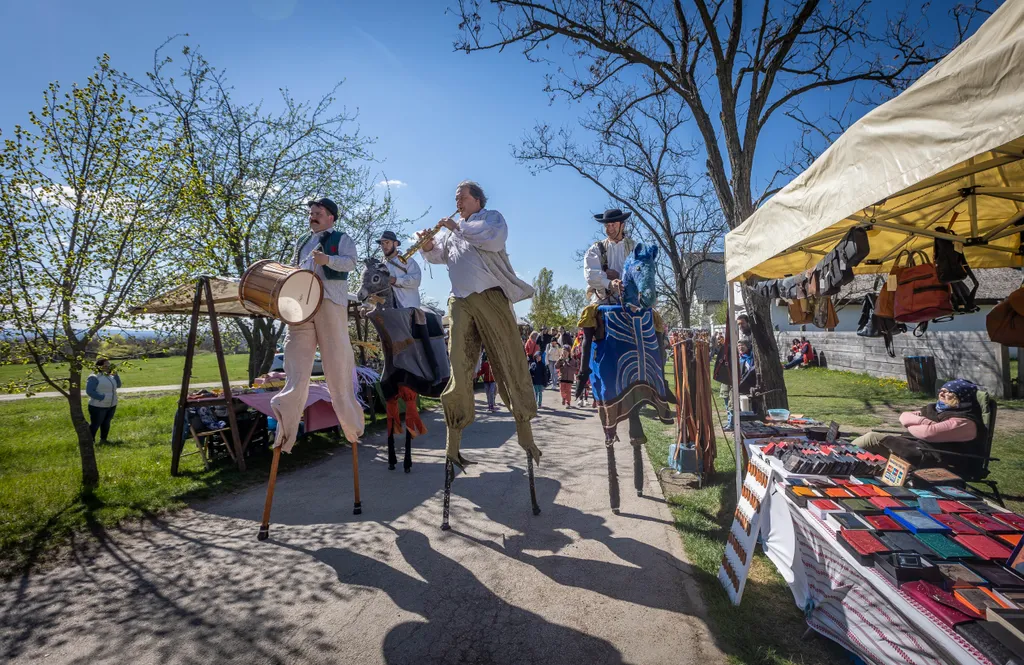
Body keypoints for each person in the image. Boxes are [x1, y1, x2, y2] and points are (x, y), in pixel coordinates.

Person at [418, 180, 540, 468]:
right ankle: (453, 445)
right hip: (459, 301)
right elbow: (439, 256)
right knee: (458, 367)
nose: (457, 202)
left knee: (509, 359)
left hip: (490, 297)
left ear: (477, 200)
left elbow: (492, 239)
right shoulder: (454, 229)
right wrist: (427, 244)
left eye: (461, 197)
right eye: (456, 198)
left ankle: (525, 433)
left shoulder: (490, 218)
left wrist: (456, 228)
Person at [271, 197, 365, 453]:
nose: (312, 216)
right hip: (303, 305)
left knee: (336, 362)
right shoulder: (303, 240)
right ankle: (285, 424)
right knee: (295, 360)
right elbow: (294, 268)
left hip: (330, 302)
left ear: (331, 217)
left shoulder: (341, 238)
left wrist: (328, 261)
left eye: (318, 213)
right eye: (311, 213)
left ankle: (351, 425)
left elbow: (351, 262)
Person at [852, 379, 984, 455]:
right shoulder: (936, 409)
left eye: (948, 392)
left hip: (935, 456)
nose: (941, 394)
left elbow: (927, 433)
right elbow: (904, 416)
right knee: (871, 440)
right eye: (941, 391)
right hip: (916, 447)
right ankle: (842, 460)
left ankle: (841, 460)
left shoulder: (964, 421)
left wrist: (916, 425)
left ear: (961, 398)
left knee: (872, 438)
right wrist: (926, 422)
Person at [721, 314, 753, 430]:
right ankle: (731, 422)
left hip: (744, 378)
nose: (740, 326)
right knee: (727, 398)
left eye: (742, 323)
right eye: (739, 324)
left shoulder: (752, 336)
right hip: (731, 375)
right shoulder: (740, 335)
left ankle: (734, 423)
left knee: (735, 403)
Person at [377, 230, 422, 308]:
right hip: (388, 308)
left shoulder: (409, 261)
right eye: (382, 243)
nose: (384, 246)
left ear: (395, 244)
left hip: (408, 307)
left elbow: (416, 281)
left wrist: (395, 280)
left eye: (387, 242)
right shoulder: (380, 265)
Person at [86, 358, 121, 444]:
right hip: (98, 406)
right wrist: (102, 397)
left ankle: (103, 440)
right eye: (105, 365)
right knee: (95, 424)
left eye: (109, 365)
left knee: (106, 423)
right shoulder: (94, 377)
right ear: (99, 366)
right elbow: (90, 391)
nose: (108, 367)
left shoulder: (110, 376)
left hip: (111, 405)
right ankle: (90, 442)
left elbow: (118, 385)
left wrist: (116, 375)